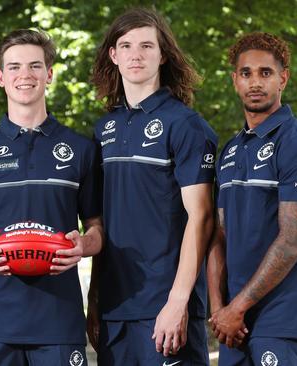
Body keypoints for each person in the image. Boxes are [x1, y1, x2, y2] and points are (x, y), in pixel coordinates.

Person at [0, 29, 103, 366]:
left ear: (49, 75)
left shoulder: (81, 149)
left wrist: (83, 245)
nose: (25, 75)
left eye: (35, 66)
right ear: (0, 77)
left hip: (59, 320)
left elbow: (97, 229)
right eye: (15, 67)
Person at [88, 8, 217, 365]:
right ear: (113, 56)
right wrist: (95, 299)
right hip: (116, 308)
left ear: (163, 55)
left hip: (166, 305)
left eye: (147, 45)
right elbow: (103, 222)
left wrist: (177, 302)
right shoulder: (104, 130)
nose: (136, 54)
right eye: (126, 45)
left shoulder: (186, 126)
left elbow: (202, 218)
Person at [207, 32, 297, 366]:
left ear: (283, 79)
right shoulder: (231, 151)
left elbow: (292, 240)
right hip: (234, 326)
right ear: (235, 80)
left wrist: (236, 307)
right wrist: (220, 310)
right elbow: (219, 235)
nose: (255, 82)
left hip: (284, 322)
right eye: (246, 73)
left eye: (266, 73)